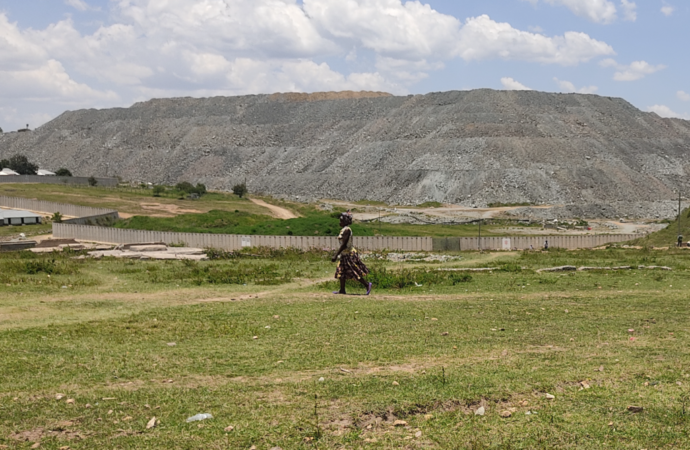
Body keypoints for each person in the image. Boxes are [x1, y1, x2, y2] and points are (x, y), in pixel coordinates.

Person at [332, 211, 372, 295]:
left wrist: (336, 255)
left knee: (353, 271)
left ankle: (367, 284)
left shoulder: (347, 230)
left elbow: (344, 245)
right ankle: (342, 289)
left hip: (349, 254)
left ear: (345, 221)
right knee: (341, 271)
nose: (340, 222)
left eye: (341, 220)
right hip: (344, 254)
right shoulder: (344, 230)